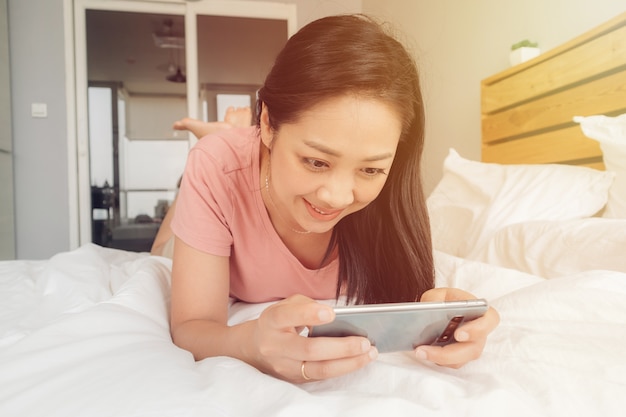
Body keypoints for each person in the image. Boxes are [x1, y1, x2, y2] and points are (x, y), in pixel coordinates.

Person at [161, 14, 499, 383]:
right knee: (166, 241)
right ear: (270, 125)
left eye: (369, 170)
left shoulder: (389, 198)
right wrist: (250, 343)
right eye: (316, 161)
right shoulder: (218, 168)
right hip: (224, 173)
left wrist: (445, 324)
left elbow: (411, 295)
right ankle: (223, 137)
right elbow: (193, 326)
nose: (337, 197)